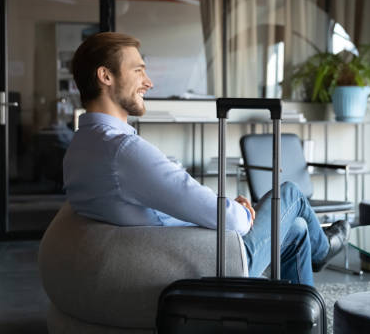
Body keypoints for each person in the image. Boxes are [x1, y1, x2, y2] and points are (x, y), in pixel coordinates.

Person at [63, 32, 350, 286]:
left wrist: (227, 208)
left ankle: (299, 316)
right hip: (209, 259)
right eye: (138, 70)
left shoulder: (82, 145)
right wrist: (241, 212)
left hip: (169, 248)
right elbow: (232, 222)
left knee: (297, 229)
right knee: (289, 194)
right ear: (106, 76)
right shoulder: (123, 150)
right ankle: (322, 251)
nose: (148, 82)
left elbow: (180, 199)